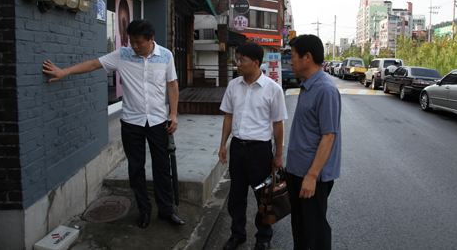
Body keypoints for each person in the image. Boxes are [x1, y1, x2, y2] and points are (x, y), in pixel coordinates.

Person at [42, 20, 184, 229]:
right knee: (136, 169)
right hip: (131, 123)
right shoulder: (122, 55)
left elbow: (172, 85)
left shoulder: (166, 56)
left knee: (162, 169)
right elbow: (93, 64)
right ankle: (144, 210)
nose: (134, 46)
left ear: (151, 39)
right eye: (131, 41)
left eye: (138, 42)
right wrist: (65, 72)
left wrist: (173, 113)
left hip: (157, 122)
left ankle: (166, 211)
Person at [218, 42, 288, 250]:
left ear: (256, 63)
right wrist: (223, 145)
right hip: (238, 148)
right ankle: (237, 234)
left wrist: (278, 154)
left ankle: (263, 238)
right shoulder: (233, 86)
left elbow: (278, 124)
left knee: (264, 198)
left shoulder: (273, 89)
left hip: (260, 151)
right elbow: (228, 116)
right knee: (236, 197)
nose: (237, 64)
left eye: (241, 60)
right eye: (236, 59)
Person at [286, 34, 342, 250]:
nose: (290, 61)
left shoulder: (326, 89)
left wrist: (311, 176)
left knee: (316, 230)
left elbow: (329, 136)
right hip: (296, 171)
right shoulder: (307, 84)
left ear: (307, 57)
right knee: (299, 225)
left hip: (313, 177)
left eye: (293, 56)